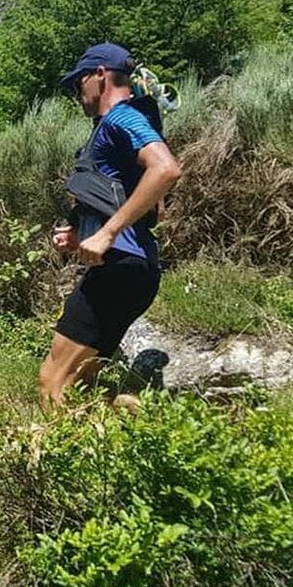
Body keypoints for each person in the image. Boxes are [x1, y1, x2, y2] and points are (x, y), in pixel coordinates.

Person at [38, 43, 182, 409]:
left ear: (100, 75)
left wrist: (107, 233)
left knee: (53, 382)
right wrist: (81, 233)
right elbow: (154, 209)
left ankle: (64, 462)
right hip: (132, 269)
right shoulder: (111, 128)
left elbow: (166, 170)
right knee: (85, 382)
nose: (77, 93)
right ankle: (137, 424)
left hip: (121, 270)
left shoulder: (123, 117)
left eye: (78, 83)